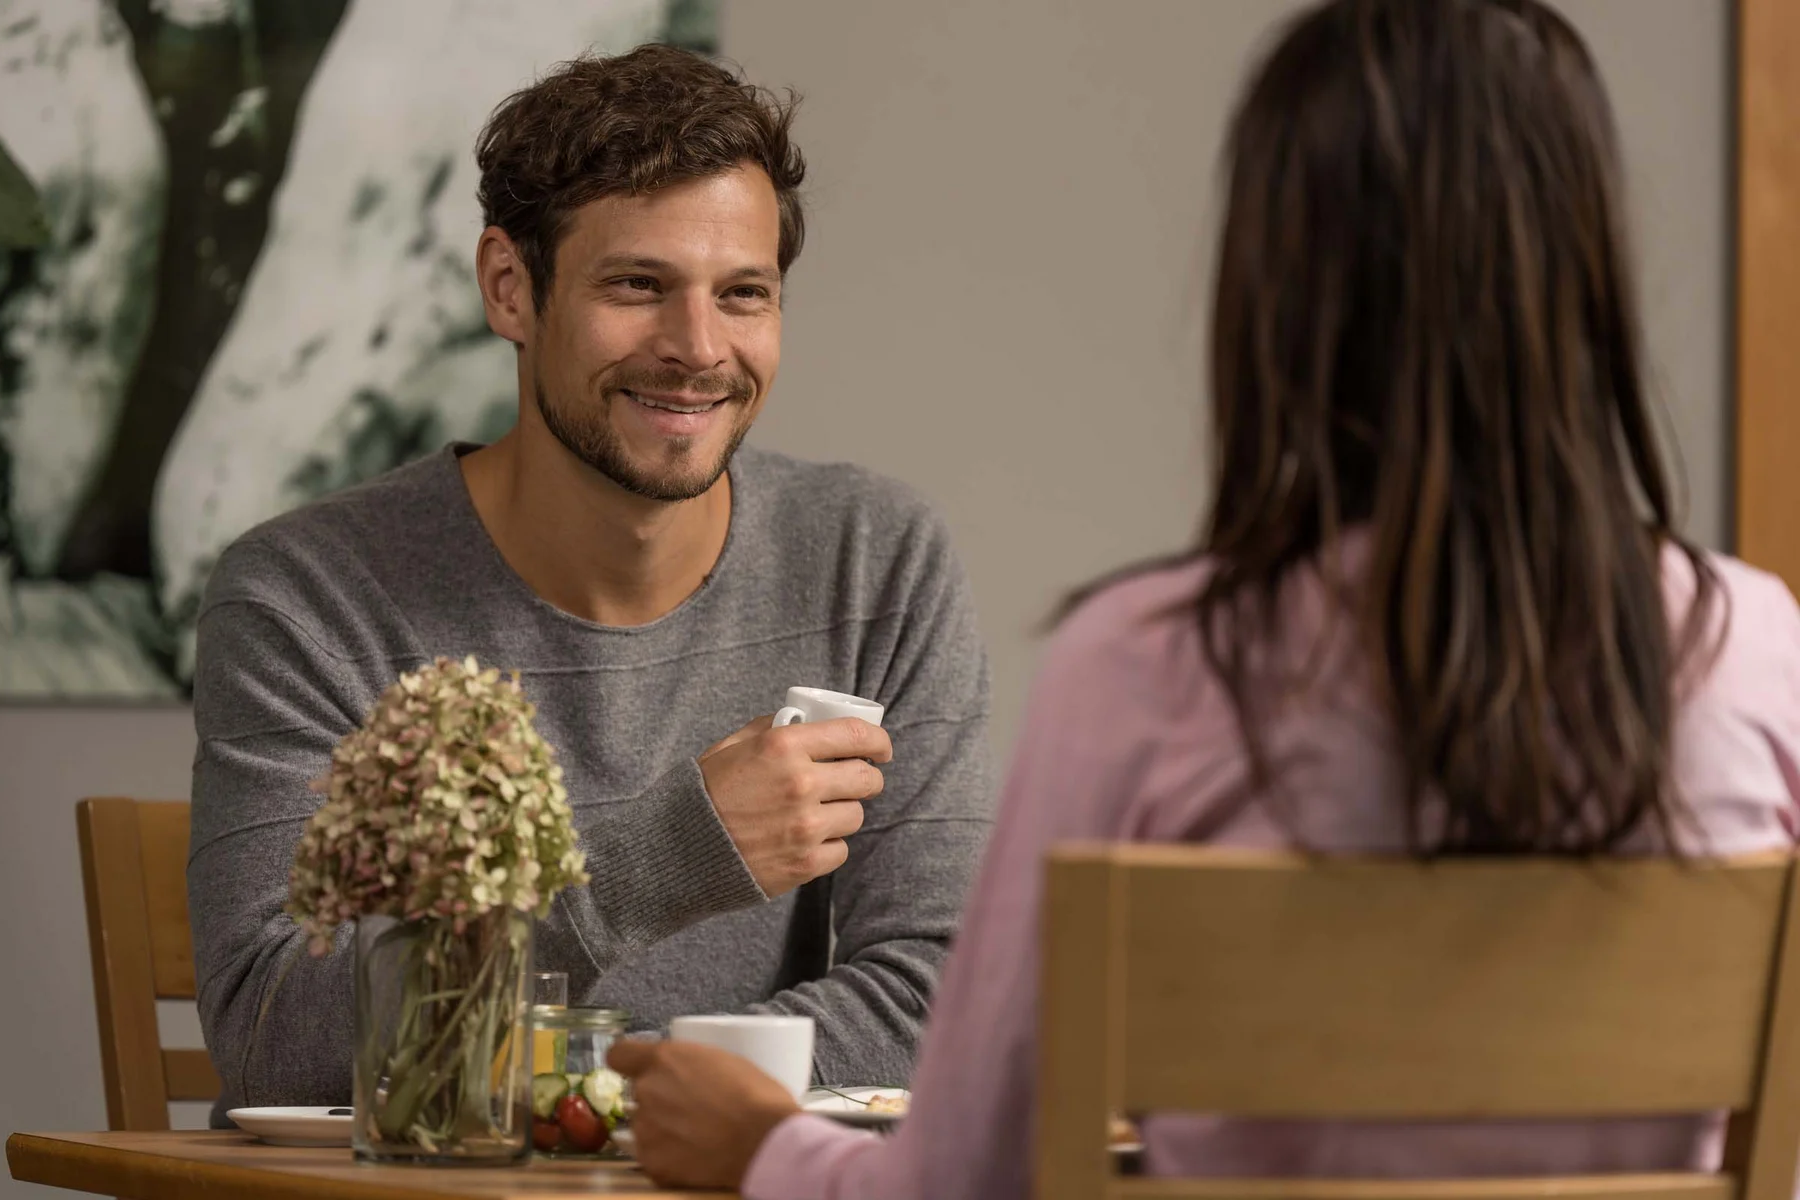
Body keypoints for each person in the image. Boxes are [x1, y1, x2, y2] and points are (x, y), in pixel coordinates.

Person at [610, 0, 1800, 1193]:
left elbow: (960, 1182)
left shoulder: (1147, 666)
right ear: (1591, 270)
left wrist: (764, 1146)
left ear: (1275, 281)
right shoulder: (1756, 648)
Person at [186, 45, 995, 1122]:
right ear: (511, 287)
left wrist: (599, 1093)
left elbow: (943, 1002)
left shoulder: (877, 560)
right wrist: (665, 859)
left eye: (743, 294)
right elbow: (274, 1040)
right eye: (636, 287)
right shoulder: (306, 602)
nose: (699, 348)